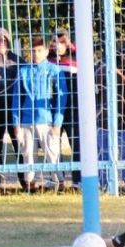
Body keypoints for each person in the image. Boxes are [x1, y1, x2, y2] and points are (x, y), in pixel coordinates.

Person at [12, 36, 68, 191]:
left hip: (46, 120)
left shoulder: (54, 71)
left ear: (46, 51)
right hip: (26, 120)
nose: (36, 53)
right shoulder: (23, 71)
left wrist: (57, 122)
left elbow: (62, 98)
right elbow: (16, 98)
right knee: (28, 153)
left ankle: (59, 183)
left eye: (39, 50)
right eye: (33, 50)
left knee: (52, 152)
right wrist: (16, 122)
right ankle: (30, 185)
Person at [95, 39, 125, 193]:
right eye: (123, 51)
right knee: (103, 154)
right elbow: (95, 94)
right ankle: (104, 185)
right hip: (104, 120)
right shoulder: (102, 70)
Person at [0, 27, 25, 193]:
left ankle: (25, 181)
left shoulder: (17, 60)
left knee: (19, 145)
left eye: (3, 40)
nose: (0, 43)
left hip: (13, 109)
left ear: (8, 42)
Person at [48, 28, 80, 191]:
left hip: (73, 108)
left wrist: (70, 45)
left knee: (77, 145)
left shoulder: (76, 58)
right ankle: (55, 180)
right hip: (53, 109)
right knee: (52, 146)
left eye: (62, 42)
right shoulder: (48, 60)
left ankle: (78, 181)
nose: (58, 45)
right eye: (55, 41)